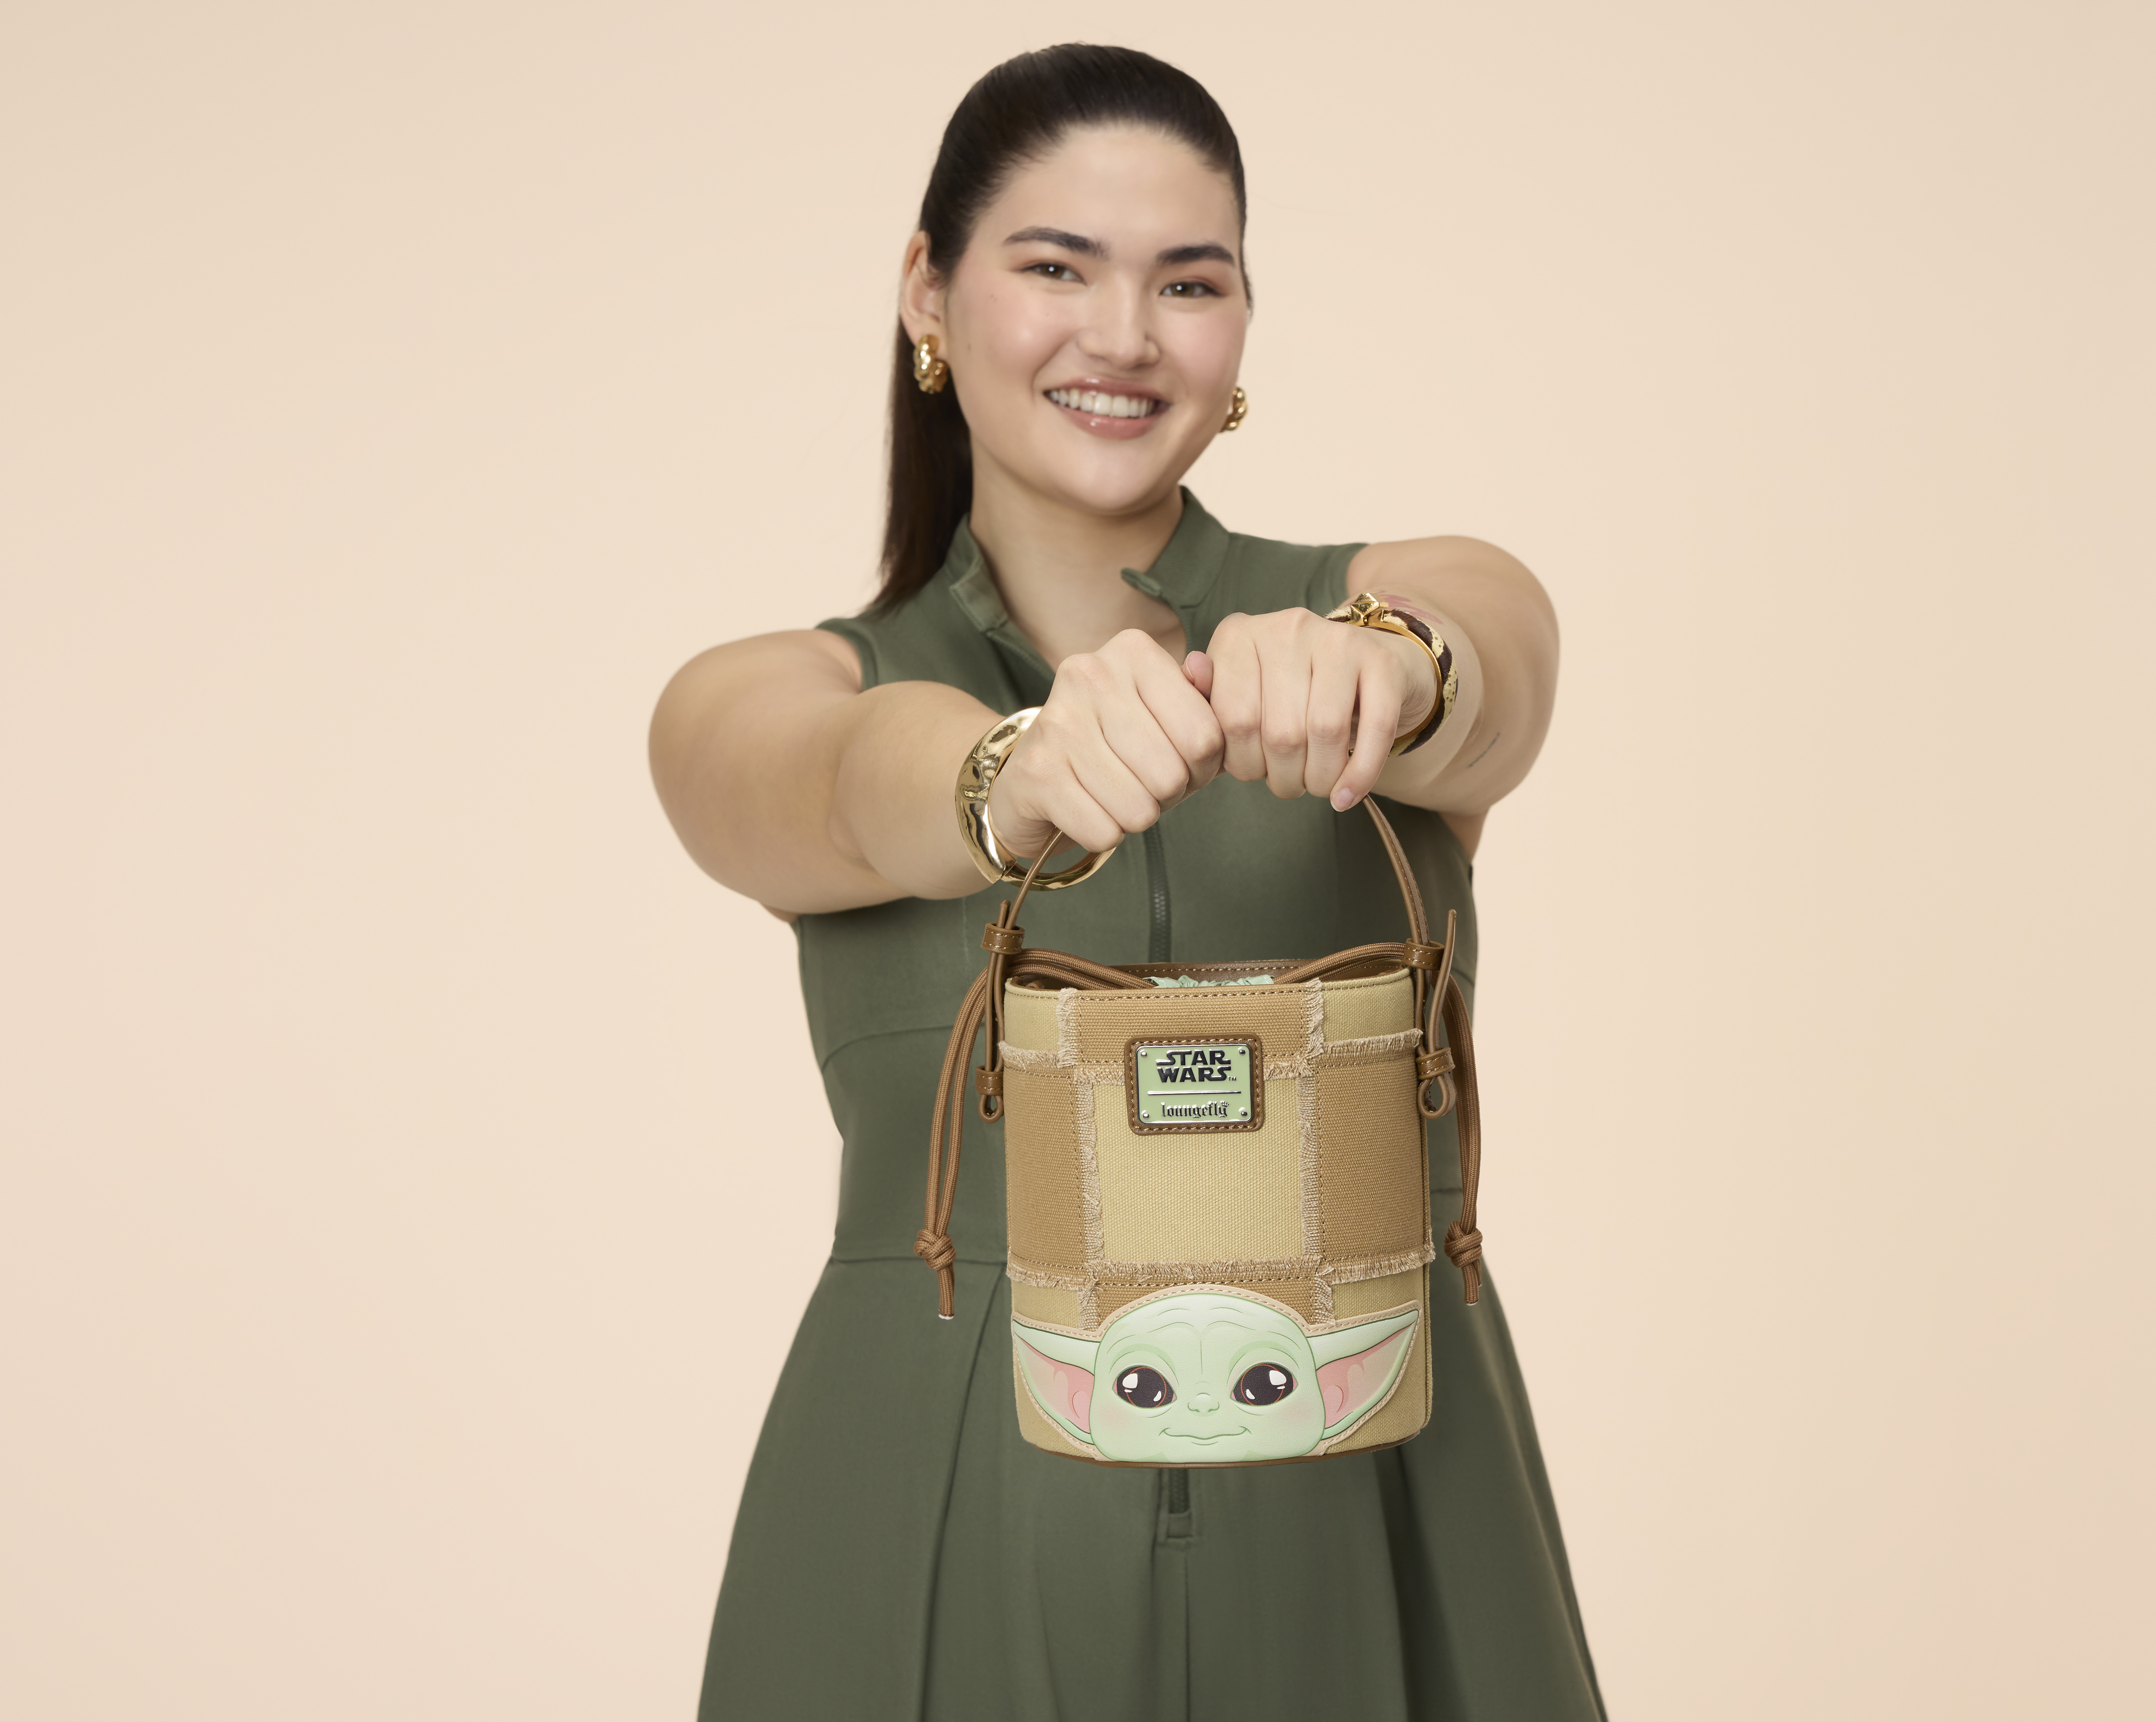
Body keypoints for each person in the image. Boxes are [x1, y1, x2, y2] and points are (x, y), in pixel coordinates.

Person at [651, 44, 1596, 1721]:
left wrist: (1392, 669)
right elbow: (828, 778)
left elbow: (1495, 656)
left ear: (1242, 328)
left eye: (1189, 279)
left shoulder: (1372, 600)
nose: (1124, 334)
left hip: (1382, 1487)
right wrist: (997, 772)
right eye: (1054, 266)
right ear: (928, 296)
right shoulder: (776, 689)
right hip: (931, 1492)